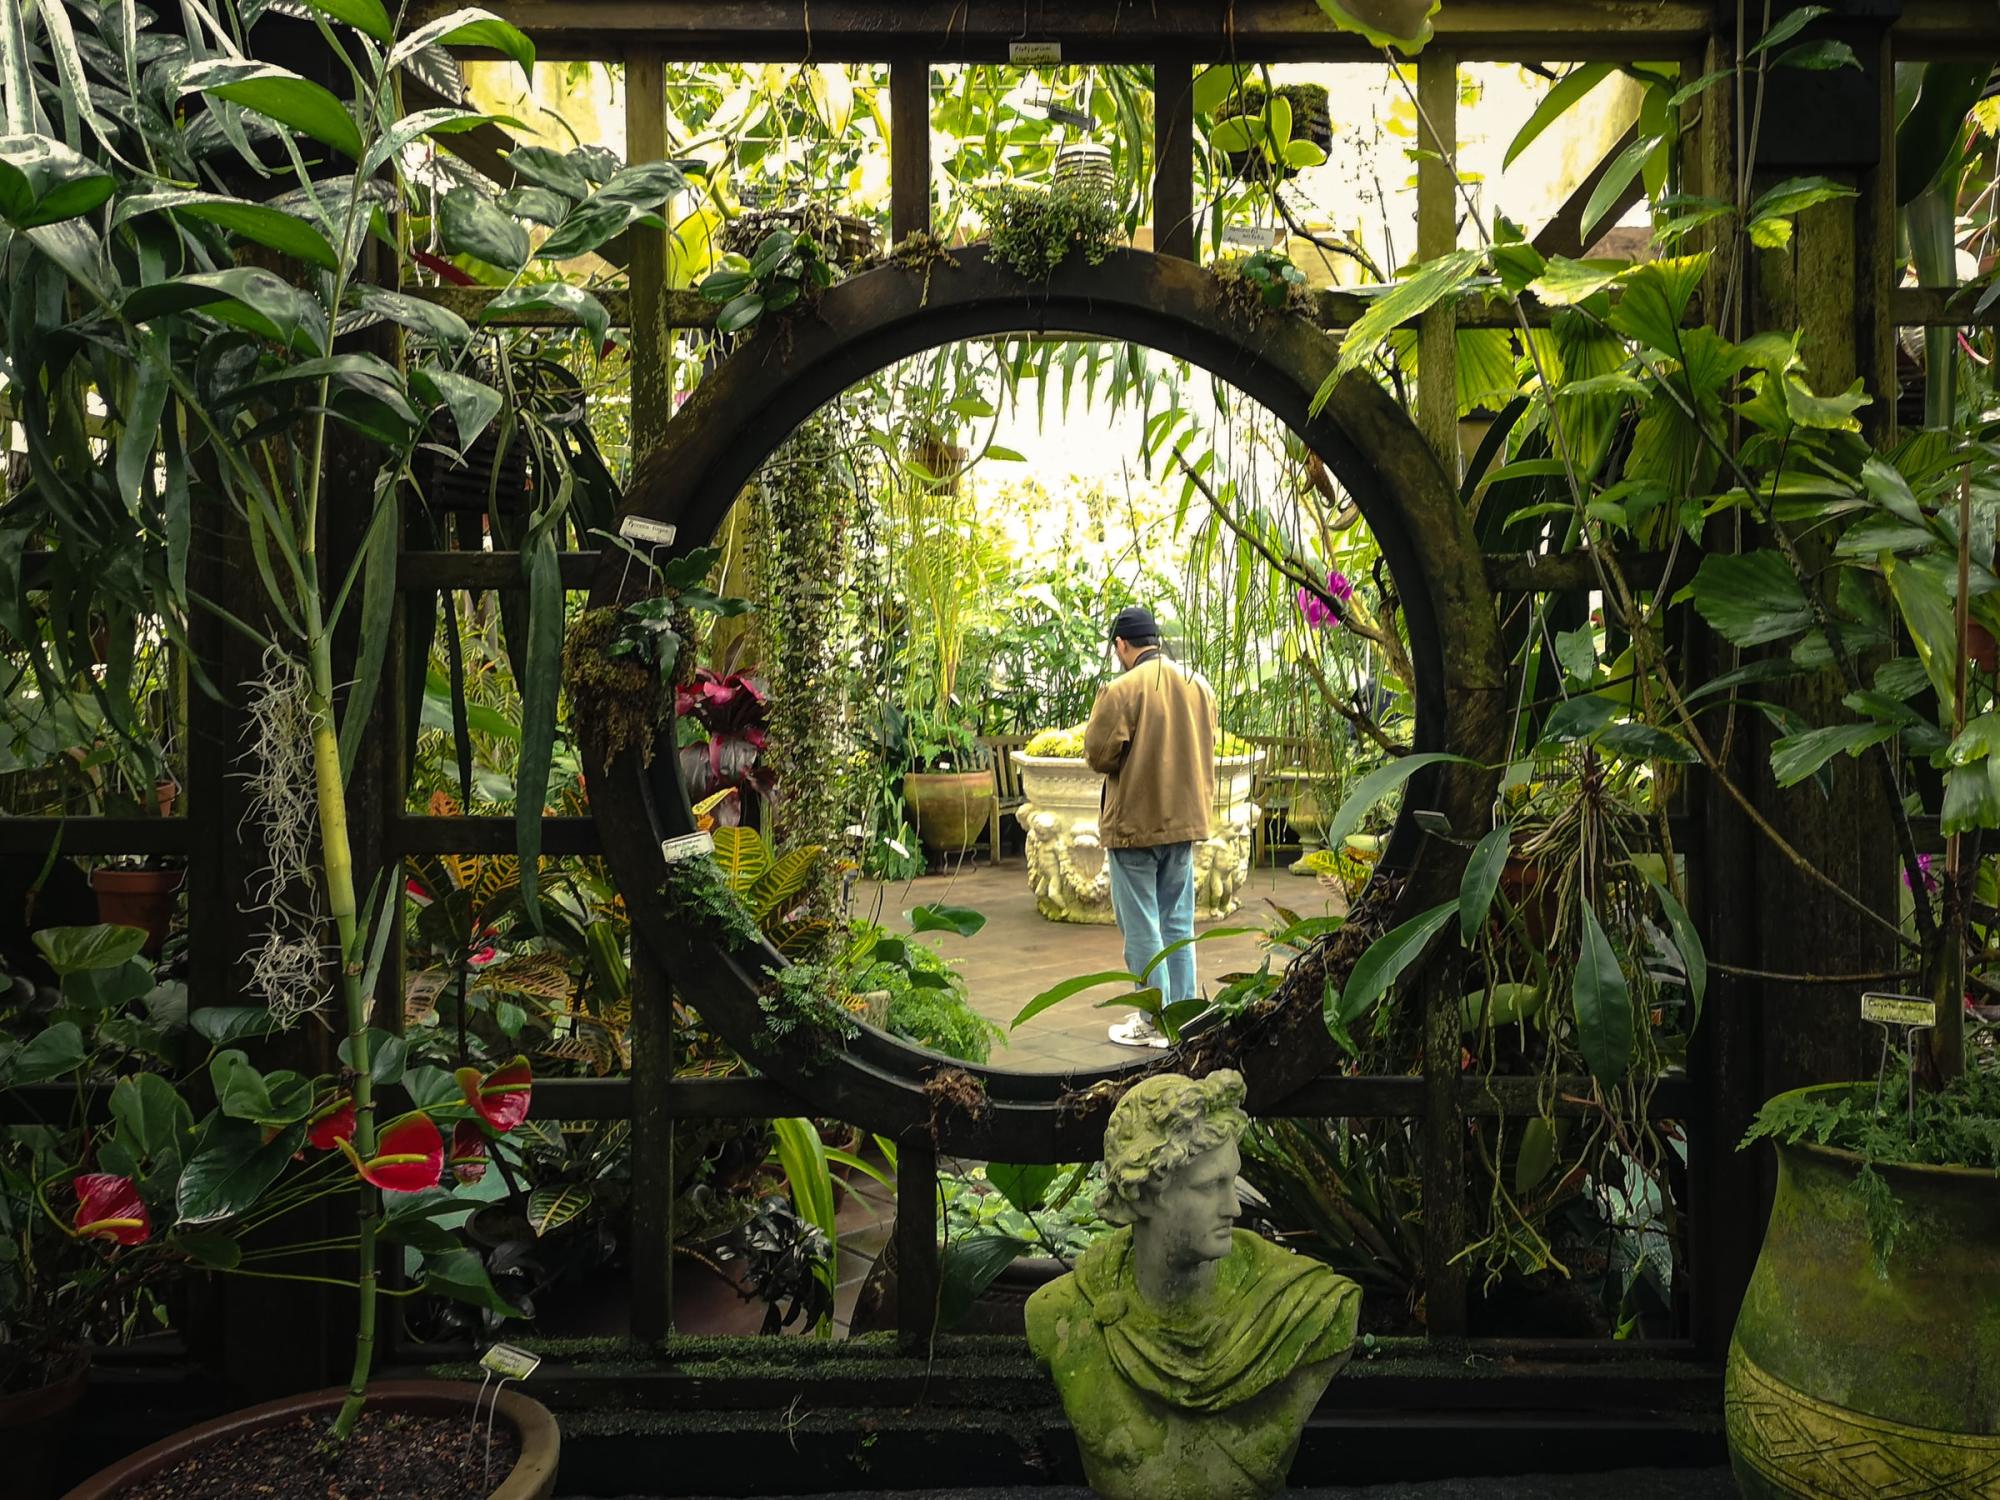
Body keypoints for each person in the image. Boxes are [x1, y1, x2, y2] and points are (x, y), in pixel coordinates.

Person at [1024, 1071, 1360, 1499]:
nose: (1234, 1207)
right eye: (1209, 1187)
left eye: (1232, 1182)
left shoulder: (1303, 1308)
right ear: (1143, 1195)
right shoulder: (1061, 1314)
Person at [1083, 606, 1218, 1048]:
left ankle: (1153, 1018)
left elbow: (1099, 755)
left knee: (1142, 926)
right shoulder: (1199, 686)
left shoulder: (1122, 690)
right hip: (1184, 824)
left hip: (1135, 828)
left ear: (1122, 645)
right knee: (1178, 923)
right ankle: (1183, 1020)